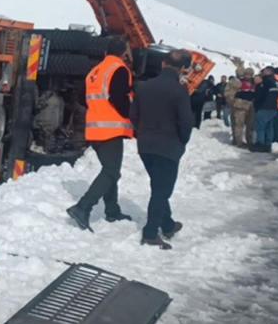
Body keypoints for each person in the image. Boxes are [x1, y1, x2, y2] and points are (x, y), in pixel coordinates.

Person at [67, 41, 134, 232]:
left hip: (94, 129)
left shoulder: (95, 72)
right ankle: (83, 207)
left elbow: (82, 98)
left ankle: (112, 210)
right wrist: (132, 116)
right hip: (111, 129)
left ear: (106, 52)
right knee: (112, 172)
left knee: (109, 169)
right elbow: (118, 98)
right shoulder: (119, 69)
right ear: (124, 53)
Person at [130, 50, 194, 250]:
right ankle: (150, 234)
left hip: (146, 145)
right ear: (184, 68)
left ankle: (167, 225)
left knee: (158, 186)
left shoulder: (143, 86)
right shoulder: (179, 90)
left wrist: (143, 133)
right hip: (168, 146)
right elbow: (186, 122)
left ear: (163, 64)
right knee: (161, 191)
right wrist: (181, 141)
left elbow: (133, 115)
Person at [250, 67, 278, 153]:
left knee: (260, 125)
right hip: (275, 107)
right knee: (269, 126)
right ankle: (268, 145)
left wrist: (258, 104)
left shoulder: (266, 81)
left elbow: (261, 95)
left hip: (265, 107)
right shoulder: (277, 82)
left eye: (264, 71)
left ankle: (260, 143)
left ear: (268, 71)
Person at [232, 68, 256, 148]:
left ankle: (249, 140)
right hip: (240, 105)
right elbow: (231, 94)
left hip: (250, 105)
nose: (248, 76)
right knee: (239, 124)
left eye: (250, 75)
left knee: (250, 125)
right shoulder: (239, 82)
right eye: (246, 74)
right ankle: (239, 142)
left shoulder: (254, 83)